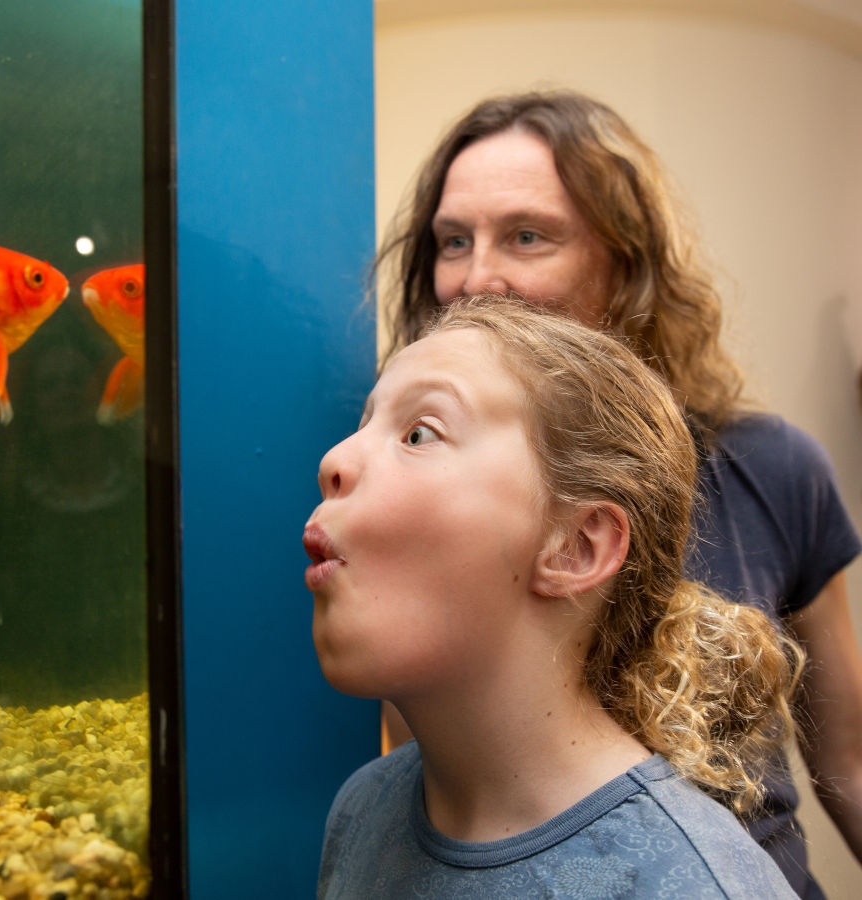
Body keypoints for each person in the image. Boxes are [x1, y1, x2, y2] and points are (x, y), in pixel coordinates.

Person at [373, 89, 862, 898]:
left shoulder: (775, 467)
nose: (474, 279)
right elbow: (421, 775)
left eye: (527, 236)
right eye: (452, 241)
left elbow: (847, 760)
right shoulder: (415, 487)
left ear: (625, 263)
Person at [306, 297, 803, 898]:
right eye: (362, 425)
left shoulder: (690, 884)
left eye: (418, 433)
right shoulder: (362, 813)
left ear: (575, 547)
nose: (333, 459)